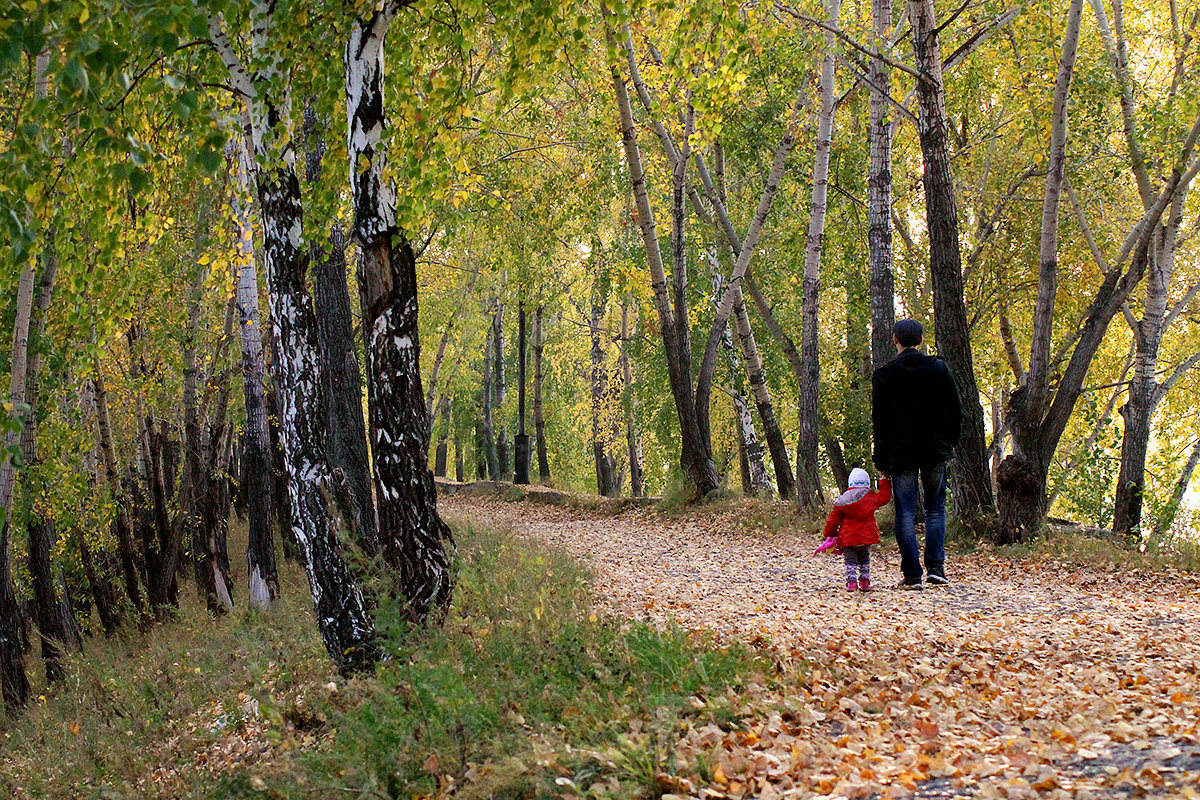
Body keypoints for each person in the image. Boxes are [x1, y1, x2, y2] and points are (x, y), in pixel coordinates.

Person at [871, 318, 962, 589]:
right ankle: (936, 569)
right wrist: (949, 442)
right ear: (921, 340)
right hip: (934, 449)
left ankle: (912, 575)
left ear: (895, 339)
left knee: (905, 512)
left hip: (901, 452)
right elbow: (955, 410)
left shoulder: (885, 375)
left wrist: (881, 459)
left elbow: (880, 422)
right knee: (936, 509)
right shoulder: (939, 368)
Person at [816, 467, 891, 592]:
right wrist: (883, 480)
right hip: (866, 537)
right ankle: (865, 582)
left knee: (850, 561)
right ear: (867, 483)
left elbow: (833, 521)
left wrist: (828, 534)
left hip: (848, 539)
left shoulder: (843, 501)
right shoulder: (871, 498)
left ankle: (851, 583)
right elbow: (884, 498)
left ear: (850, 483)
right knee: (864, 559)